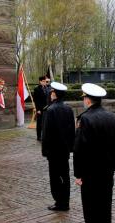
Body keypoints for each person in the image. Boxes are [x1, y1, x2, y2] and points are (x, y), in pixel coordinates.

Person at [74, 83, 115, 223]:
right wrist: (112, 167)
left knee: (92, 211)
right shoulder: (112, 117)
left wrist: (78, 174)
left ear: (87, 99)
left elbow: (80, 150)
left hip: (91, 175)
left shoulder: (85, 119)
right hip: (107, 173)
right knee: (104, 210)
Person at [42, 82, 75, 211]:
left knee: (55, 177)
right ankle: (65, 201)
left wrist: (45, 151)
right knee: (65, 176)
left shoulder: (50, 110)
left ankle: (59, 202)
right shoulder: (68, 109)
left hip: (54, 151)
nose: (51, 94)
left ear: (55, 94)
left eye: (52, 92)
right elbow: (71, 130)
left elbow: (47, 133)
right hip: (64, 150)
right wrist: (70, 147)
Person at [33, 76, 48, 141]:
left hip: (47, 108)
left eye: (46, 81)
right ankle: (39, 136)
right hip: (40, 108)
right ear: (40, 81)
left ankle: (45, 135)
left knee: (46, 122)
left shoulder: (47, 88)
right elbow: (36, 100)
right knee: (39, 123)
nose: (45, 83)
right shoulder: (37, 89)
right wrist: (38, 109)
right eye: (43, 81)